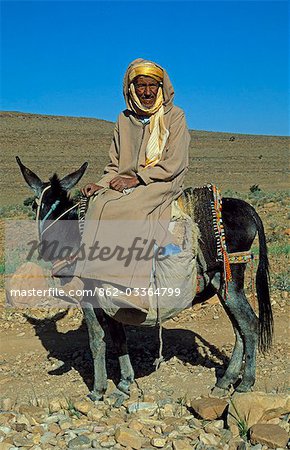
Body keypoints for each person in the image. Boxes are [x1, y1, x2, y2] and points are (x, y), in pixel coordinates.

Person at [65, 58, 191, 305]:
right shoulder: (124, 119)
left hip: (162, 180)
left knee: (132, 208)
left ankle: (136, 287)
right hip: (127, 180)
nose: (146, 92)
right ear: (131, 88)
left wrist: (138, 178)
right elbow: (115, 164)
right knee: (97, 204)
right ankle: (83, 276)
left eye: (152, 85)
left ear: (161, 87)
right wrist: (102, 184)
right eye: (140, 85)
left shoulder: (175, 116)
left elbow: (174, 163)